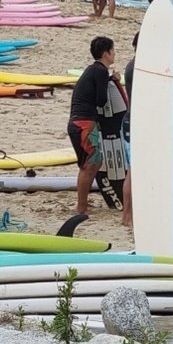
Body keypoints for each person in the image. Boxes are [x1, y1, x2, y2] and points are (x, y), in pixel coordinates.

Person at [69, 36, 116, 216]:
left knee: (95, 163)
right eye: (113, 51)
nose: (114, 54)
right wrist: (110, 80)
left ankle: (84, 202)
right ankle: (81, 207)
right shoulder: (100, 71)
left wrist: (110, 80)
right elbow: (101, 100)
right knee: (88, 166)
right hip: (83, 124)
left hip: (81, 123)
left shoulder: (94, 70)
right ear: (106, 53)